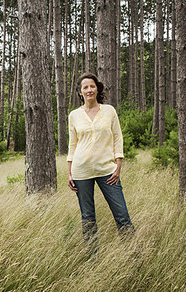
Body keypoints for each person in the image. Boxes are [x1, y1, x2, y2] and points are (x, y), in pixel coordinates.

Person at [67, 73, 134, 250]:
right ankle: (92, 258)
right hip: (81, 171)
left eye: (92, 86)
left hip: (108, 171)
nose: (89, 90)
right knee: (88, 218)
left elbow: (118, 138)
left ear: (97, 88)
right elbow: (72, 144)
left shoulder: (109, 111)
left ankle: (133, 256)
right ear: (80, 92)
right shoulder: (74, 115)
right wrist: (69, 172)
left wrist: (118, 165)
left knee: (122, 215)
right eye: (85, 87)